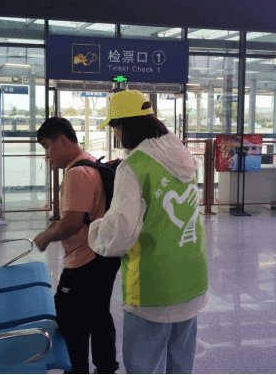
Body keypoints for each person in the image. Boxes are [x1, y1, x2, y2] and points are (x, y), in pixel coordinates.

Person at [88, 90, 209, 374]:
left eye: (114, 127)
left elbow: (120, 234)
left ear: (124, 125)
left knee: (144, 366)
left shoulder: (133, 167)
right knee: (181, 363)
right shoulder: (182, 156)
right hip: (192, 277)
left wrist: (94, 230)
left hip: (153, 286)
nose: (115, 134)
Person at [33, 117, 120, 375]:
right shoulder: (89, 161)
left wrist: (46, 237)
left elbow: (72, 223)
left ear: (62, 141)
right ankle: (106, 368)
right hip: (103, 255)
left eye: (47, 146)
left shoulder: (77, 174)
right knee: (99, 314)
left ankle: (76, 370)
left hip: (85, 259)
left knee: (71, 320)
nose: (47, 155)